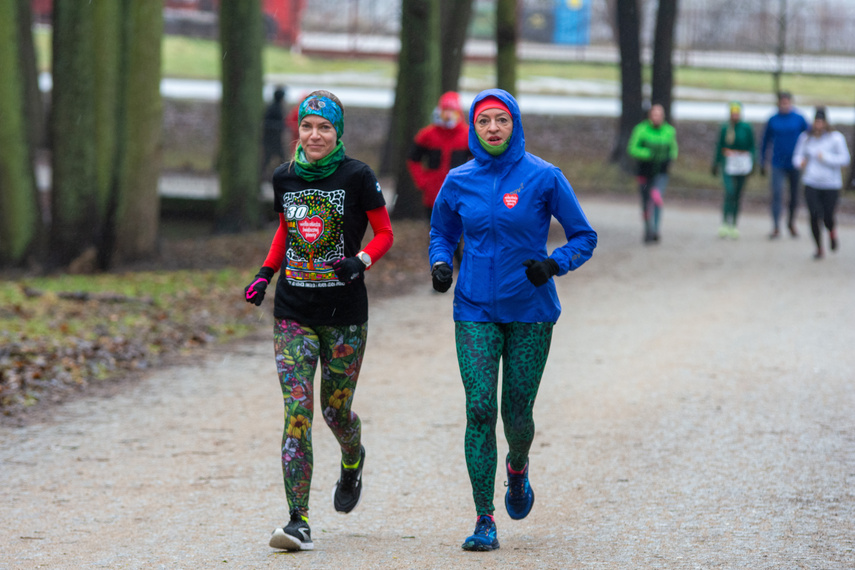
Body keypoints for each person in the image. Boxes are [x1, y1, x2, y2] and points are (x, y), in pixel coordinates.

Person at [429, 89, 597, 552]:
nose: (493, 129)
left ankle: (517, 467)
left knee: (516, 414)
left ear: (515, 124)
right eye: (484, 122)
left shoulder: (544, 177)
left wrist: (554, 264)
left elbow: (584, 235)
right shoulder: (459, 180)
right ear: (473, 128)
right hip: (474, 309)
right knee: (480, 408)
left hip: (530, 312)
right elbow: (441, 231)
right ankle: (485, 518)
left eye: (501, 120)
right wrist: (441, 263)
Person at [243, 90, 394, 552]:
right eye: (307, 127)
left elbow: (386, 232)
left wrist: (361, 260)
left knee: (335, 411)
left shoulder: (358, 176)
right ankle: (298, 521)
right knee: (297, 411)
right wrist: (265, 274)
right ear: (298, 131)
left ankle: (353, 458)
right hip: (293, 313)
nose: (314, 135)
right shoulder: (284, 177)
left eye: (324, 127)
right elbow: (287, 229)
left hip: (345, 316)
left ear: (338, 132)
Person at [792, 106, 850, 259]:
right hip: (811, 182)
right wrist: (800, 163)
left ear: (825, 122)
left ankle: (831, 232)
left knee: (828, 216)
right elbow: (797, 156)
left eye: (821, 122)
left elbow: (845, 159)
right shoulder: (806, 138)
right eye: (816, 122)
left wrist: (825, 157)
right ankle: (818, 247)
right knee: (813, 215)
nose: (818, 125)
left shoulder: (835, 138)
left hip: (831, 183)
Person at [407, 91, 472, 220]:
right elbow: (413, 159)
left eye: (452, 110)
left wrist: (470, 181)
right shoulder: (427, 135)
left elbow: (479, 160)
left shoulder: (468, 135)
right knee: (435, 233)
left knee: (456, 234)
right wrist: (422, 181)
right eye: (445, 110)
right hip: (433, 195)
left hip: (459, 194)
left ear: (458, 112)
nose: (448, 115)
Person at [759, 91, 809, 238]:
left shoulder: (799, 119)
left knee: (794, 195)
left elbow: (809, 138)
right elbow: (765, 141)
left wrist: (806, 157)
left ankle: (791, 223)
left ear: (791, 103)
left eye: (787, 102)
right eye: (782, 102)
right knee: (777, 194)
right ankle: (775, 226)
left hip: (795, 164)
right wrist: (762, 161)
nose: (784, 104)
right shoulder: (773, 119)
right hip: (777, 163)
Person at [627, 103, 678, 243]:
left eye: (659, 114)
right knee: (645, 202)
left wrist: (668, 157)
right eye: (654, 114)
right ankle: (648, 229)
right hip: (644, 171)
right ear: (650, 116)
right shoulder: (641, 130)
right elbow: (632, 148)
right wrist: (647, 154)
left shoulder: (669, 131)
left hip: (661, 171)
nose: (657, 117)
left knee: (656, 197)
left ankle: (655, 229)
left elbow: (674, 149)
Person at [711, 101, 756, 239]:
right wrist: (716, 163)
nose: (735, 115)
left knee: (738, 193)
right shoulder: (725, 128)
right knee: (729, 191)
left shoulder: (746, 128)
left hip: (742, 164)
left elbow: (752, 146)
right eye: (733, 112)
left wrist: (753, 162)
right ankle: (725, 221)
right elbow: (719, 146)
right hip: (728, 164)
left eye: (737, 112)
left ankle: (734, 224)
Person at [261, 85, 288, 179]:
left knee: (275, 158)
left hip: (272, 139)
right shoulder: (275, 108)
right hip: (272, 139)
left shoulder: (273, 107)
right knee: (276, 158)